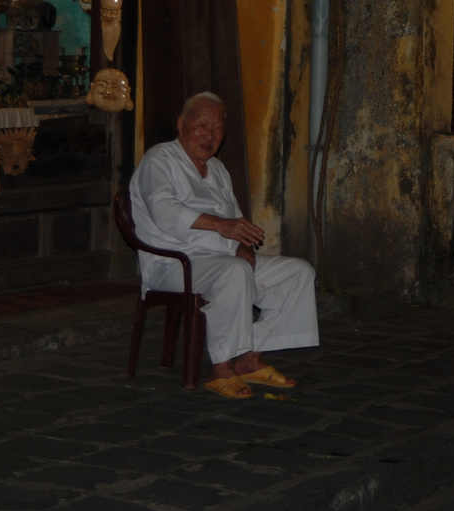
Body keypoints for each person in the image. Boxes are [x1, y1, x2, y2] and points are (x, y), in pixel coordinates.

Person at [129, 91, 318, 398]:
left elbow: (235, 220)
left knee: (299, 272)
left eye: (217, 128)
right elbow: (164, 212)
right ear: (181, 124)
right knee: (234, 272)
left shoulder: (217, 169)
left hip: (222, 259)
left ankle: (250, 357)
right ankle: (221, 367)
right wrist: (223, 227)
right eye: (201, 124)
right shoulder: (160, 160)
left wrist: (244, 247)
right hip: (174, 264)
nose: (209, 134)